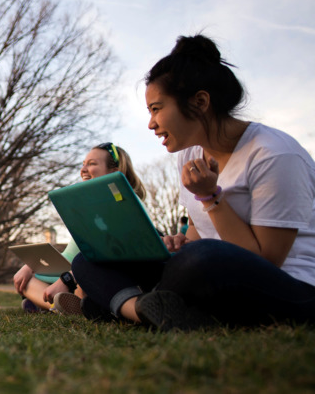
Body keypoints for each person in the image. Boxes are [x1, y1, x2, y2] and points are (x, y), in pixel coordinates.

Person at [72, 34, 315, 331]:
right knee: (91, 259)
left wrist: (211, 197)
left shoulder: (275, 154)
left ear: (199, 102)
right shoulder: (189, 153)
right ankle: (142, 310)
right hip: (210, 272)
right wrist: (179, 243)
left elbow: (265, 260)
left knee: (200, 259)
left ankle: (122, 303)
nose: (151, 123)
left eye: (157, 109)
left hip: (290, 288)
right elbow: (200, 230)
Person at [13, 143, 146, 315]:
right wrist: (30, 267)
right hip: (74, 272)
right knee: (26, 280)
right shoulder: (91, 209)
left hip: (102, 275)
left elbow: (109, 255)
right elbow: (69, 256)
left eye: (91, 164)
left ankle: (57, 305)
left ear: (114, 171)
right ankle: (62, 305)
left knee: (80, 284)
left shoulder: (126, 203)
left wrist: (67, 280)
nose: (83, 169)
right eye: (83, 164)